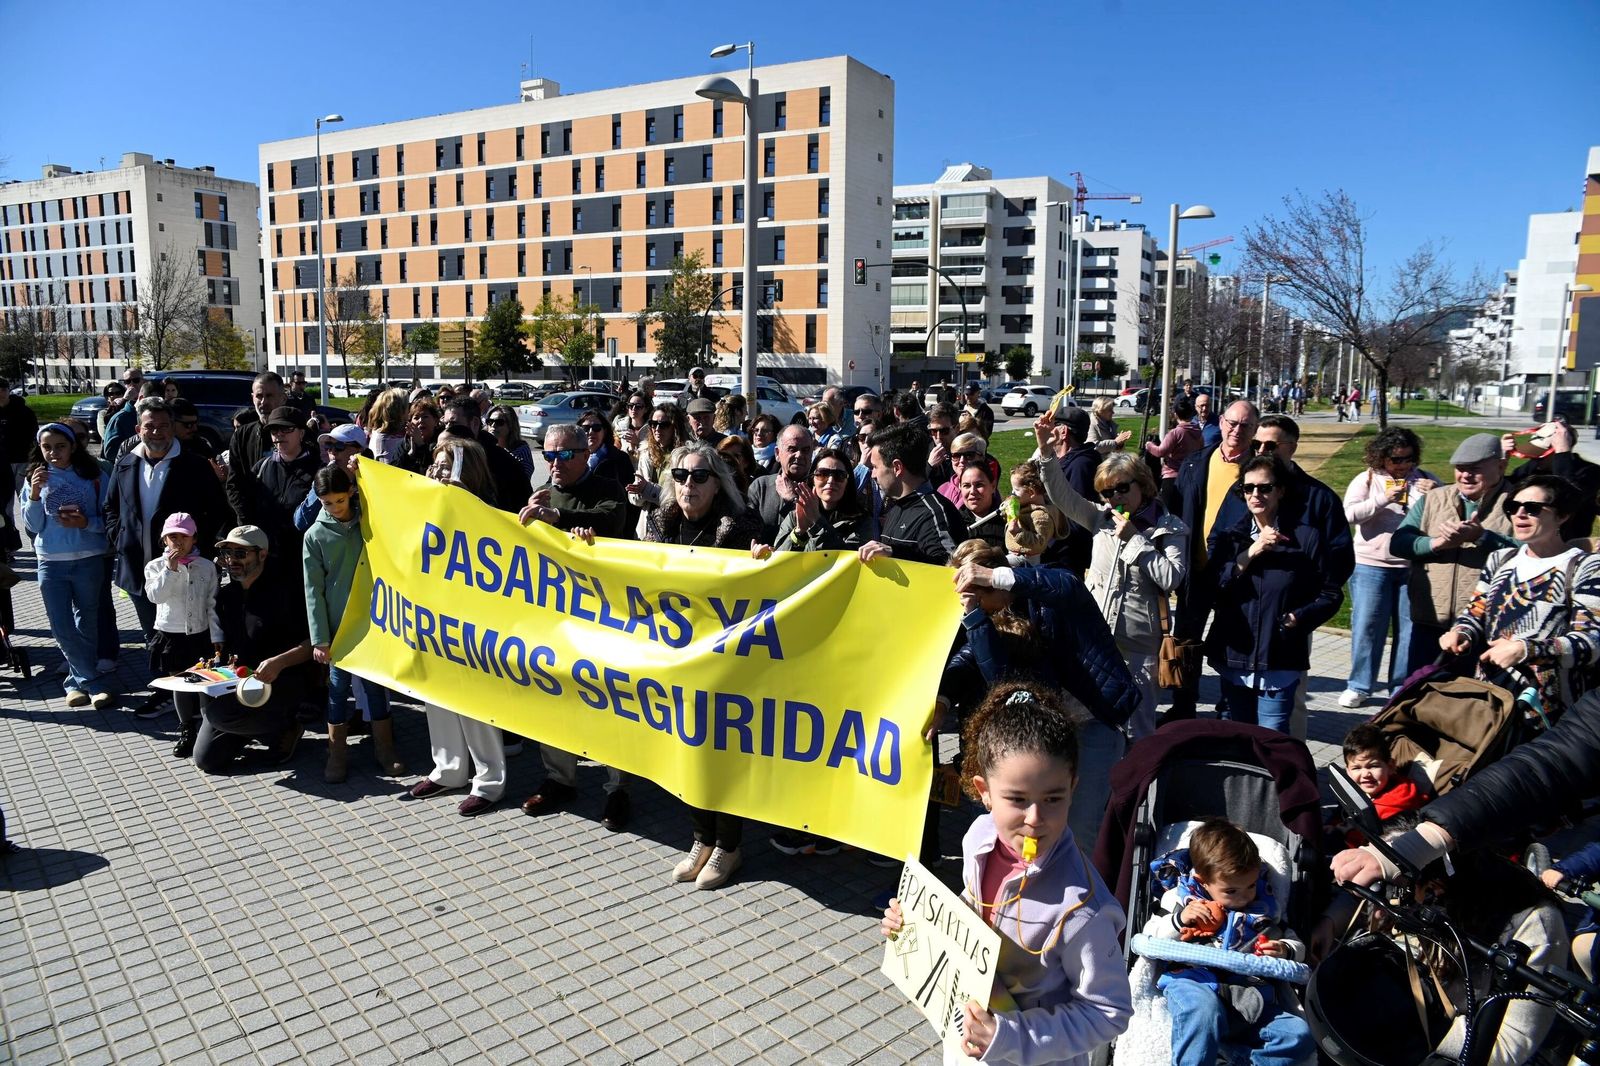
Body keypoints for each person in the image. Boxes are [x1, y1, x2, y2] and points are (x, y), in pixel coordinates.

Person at [880, 683, 1133, 1062]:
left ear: (1073, 788)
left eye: (1053, 798)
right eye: (1017, 799)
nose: (1035, 819)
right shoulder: (978, 837)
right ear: (984, 791)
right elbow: (975, 911)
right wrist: (917, 924)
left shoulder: (1082, 909)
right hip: (968, 1045)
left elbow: (1109, 1011)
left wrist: (1010, 1037)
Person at [950, 541, 1140, 851]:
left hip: (1093, 722)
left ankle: (1083, 883)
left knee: (1080, 829)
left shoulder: (1043, 584)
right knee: (1037, 829)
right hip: (1048, 730)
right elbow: (998, 675)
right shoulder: (991, 617)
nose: (977, 604)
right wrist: (973, 618)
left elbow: (1067, 585)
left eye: (978, 596)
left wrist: (996, 577)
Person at [637, 442, 761, 889]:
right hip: (678, 660)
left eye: (699, 476)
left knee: (721, 755)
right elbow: (637, 574)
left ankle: (728, 845)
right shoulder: (661, 522)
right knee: (688, 749)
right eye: (680, 475)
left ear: (717, 484)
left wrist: (763, 561)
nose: (689, 483)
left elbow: (766, 582)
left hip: (726, 663)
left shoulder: (740, 526)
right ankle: (701, 838)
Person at [1031, 422, 1189, 740]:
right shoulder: (1100, 518)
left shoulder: (1169, 527)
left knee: (1137, 731)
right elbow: (1062, 496)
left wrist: (1135, 540)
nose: (1114, 497)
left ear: (1143, 484)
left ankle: (1137, 775)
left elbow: (1171, 578)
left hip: (1139, 647)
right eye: (1106, 492)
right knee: (1081, 719)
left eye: (1121, 489)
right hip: (1095, 640)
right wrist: (1046, 451)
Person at [517, 424, 633, 829]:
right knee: (553, 696)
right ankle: (559, 778)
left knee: (608, 702)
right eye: (549, 455)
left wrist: (561, 519)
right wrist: (528, 519)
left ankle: (617, 787)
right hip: (556, 618)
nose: (555, 463)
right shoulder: (542, 493)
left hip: (603, 617)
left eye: (564, 455)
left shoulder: (606, 488)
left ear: (586, 454)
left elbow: (611, 519)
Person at [399, 438, 507, 814]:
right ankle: (448, 769)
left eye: (446, 466)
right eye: (435, 465)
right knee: (437, 693)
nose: (437, 472)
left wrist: (462, 500)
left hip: (473, 617)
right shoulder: (426, 500)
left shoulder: (485, 507)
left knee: (474, 700)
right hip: (433, 612)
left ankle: (489, 781)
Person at [1149, 818, 1314, 1066]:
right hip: (1196, 983)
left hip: (1248, 997)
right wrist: (1180, 920)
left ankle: (1236, 1059)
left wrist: (1284, 949)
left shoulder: (1263, 909)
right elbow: (1152, 938)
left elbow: (1296, 945)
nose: (1244, 897)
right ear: (1203, 882)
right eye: (1231, 891)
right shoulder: (1181, 901)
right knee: (1204, 1013)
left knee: (1299, 1035)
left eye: (1251, 886)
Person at [1202, 454, 1344, 731]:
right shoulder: (1231, 537)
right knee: (1237, 736)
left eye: (1265, 487)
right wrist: (1250, 553)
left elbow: (1330, 593)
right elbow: (1213, 587)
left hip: (1280, 656)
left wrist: (1298, 618)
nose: (1256, 494)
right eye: (1248, 488)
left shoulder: (1307, 537)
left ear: (1281, 491)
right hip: (1235, 656)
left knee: (1272, 737)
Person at [1439, 474, 1600, 714]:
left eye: (1533, 508)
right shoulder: (1500, 559)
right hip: (1491, 699)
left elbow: (1591, 643)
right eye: (1513, 507)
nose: (1520, 514)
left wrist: (1525, 650)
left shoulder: (1586, 567)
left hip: (1550, 708)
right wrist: (1461, 632)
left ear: (1562, 515)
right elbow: (1475, 612)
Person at [304, 465, 403, 783]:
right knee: (337, 690)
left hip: (373, 621)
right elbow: (313, 590)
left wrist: (364, 472)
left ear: (351, 493)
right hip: (338, 628)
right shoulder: (314, 535)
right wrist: (320, 638)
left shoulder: (368, 521)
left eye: (340, 500)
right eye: (327, 503)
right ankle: (337, 754)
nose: (335, 508)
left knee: (375, 688)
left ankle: (385, 749)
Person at [105, 398, 229, 649]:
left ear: (173, 428)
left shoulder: (194, 465)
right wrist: (119, 537)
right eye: (149, 426)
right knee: (153, 637)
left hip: (186, 569)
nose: (156, 432)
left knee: (185, 639)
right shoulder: (125, 464)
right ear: (138, 430)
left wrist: (197, 547)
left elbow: (217, 511)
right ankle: (157, 674)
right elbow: (110, 507)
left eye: (163, 426)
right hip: (138, 568)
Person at [1390, 433, 1516, 677]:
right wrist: (1438, 543)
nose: (1465, 475)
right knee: (1421, 690)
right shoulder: (1434, 498)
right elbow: (1399, 543)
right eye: (1460, 468)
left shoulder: (1518, 503)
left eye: (1475, 469)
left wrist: (1482, 538)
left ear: (1501, 466)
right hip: (1430, 622)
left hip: (1486, 627)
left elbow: (1532, 551)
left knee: (1474, 696)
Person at [193, 525, 314, 773]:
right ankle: (252, 730)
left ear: (262, 554)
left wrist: (279, 662)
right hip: (239, 683)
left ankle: (286, 727)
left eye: (240, 554)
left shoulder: (286, 591)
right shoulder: (226, 596)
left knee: (218, 716)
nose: (232, 560)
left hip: (280, 681)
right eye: (227, 553)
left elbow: (314, 642)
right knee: (207, 760)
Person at [1167, 400, 1261, 720]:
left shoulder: (1260, 471)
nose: (1237, 430)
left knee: (1231, 646)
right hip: (1195, 571)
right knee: (1185, 642)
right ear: (1221, 423)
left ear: (1255, 429)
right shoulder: (1196, 462)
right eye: (1232, 423)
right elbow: (1177, 511)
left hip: (1237, 575)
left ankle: (1228, 711)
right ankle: (1183, 708)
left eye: (1245, 425)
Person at [1340, 428, 1436, 708]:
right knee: (1367, 627)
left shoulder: (1425, 479)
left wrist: (1436, 493)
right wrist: (1384, 499)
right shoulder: (1367, 479)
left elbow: (1446, 511)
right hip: (1371, 565)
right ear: (1382, 457)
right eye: (1396, 459)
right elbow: (1348, 515)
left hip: (1413, 566)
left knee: (1408, 631)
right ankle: (1359, 685)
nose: (1403, 465)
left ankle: (1399, 689)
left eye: (1408, 459)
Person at [22, 423, 113, 708]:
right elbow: (32, 526)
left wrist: (85, 523)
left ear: (73, 446)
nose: (53, 453)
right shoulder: (35, 477)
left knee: (87, 621)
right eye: (47, 447)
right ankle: (92, 682)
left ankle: (75, 684)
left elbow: (110, 518)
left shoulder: (94, 475)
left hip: (89, 558)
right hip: (50, 560)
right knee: (61, 625)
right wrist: (34, 494)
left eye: (60, 446)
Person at [142, 513, 222, 750]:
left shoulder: (207, 567)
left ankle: (209, 727)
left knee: (204, 683)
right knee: (180, 683)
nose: (179, 542)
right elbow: (155, 596)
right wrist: (170, 569)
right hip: (171, 635)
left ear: (194, 538)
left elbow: (212, 604)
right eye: (173, 537)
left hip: (200, 634)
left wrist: (217, 636)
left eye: (184, 537)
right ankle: (186, 728)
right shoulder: (155, 566)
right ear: (164, 540)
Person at [859, 421, 965, 567]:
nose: (873, 475)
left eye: (875, 467)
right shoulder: (897, 507)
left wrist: (895, 553)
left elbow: (950, 566)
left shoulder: (934, 513)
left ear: (897, 467)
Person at [756, 447, 873, 555]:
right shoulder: (795, 516)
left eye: (839, 475)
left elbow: (846, 559)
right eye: (822, 474)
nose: (830, 481)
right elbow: (780, 559)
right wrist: (799, 532)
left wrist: (817, 522)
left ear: (847, 482)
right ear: (813, 480)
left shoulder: (861, 521)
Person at [1502, 418, 1600, 541]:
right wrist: (1500, 461)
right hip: (1528, 539)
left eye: (1541, 455)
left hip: (1567, 543)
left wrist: (1562, 453)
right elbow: (1503, 488)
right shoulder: (1534, 467)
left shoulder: (1590, 471)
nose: (1534, 459)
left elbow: (1568, 496)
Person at [1335, 724, 1427, 847]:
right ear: (1348, 771)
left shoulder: (1397, 803)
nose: (1365, 774)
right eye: (1356, 768)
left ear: (1391, 766)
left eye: (1373, 766)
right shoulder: (1354, 790)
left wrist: (1346, 833)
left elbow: (1372, 840)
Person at [440, 398, 528, 512]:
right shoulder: (442, 455)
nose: (447, 430)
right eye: (445, 424)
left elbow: (510, 510)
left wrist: (470, 497)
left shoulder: (503, 464)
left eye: (453, 423)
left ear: (475, 423)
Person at [224, 371, 289, 525]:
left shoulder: (298, 434)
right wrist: (247, 520)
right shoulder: (242, 436)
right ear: (252, 397)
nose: (263, 402)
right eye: (259, 396)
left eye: (270, 396)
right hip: (251, 524)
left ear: (283, 398)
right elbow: (234, 484)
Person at [746, 424, 815, 544]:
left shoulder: (818, 488)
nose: (799, 455)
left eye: (805, 450)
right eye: (792, 449)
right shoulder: (761, 487)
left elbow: (818, 531)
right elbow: (748, 531)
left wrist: (793, 500)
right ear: (777, 453)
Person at [627, 402, 689, 511]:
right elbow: (635, 501)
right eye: (653, 424)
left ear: (675, 427)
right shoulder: (646, 452)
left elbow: (681, 497)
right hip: (647, 518)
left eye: (664, 425)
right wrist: (636, 491)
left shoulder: (685, 456)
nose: (657, 428)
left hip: (673, 518)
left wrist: (648, 489)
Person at [1146, 396, 1204, 507]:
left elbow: (1160, 452)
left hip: (1172, 477)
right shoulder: (1198, 432)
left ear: (1176, 415)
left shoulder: (1176, 433)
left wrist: (1149, 445)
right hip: (1191, 476)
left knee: (1168, 511)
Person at [952, 455, 1005, 550]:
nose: (972, 491)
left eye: (979, 485)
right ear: (960, 487)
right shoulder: (952, 522)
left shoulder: (1008, 521)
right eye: (966, 486)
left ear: (993, 486)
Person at [935, 431, 990, 508]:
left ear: (982, 458)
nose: (962, 460)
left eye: (969, 455)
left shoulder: (986, 490)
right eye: (956, 456)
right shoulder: (943, 489)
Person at [395, 398, 442, 474]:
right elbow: (396, 471)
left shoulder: (442, 443)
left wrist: (421, 446)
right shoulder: (404, 444)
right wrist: (410, 454)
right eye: (416, 418)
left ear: (436, 421)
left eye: (425, 416)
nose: (420, 420)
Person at [365, 387, 412, 464]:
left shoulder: (398, 433)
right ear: (398, 410)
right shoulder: (384, 441)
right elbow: (390, 468)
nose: (411, 409)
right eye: (409, 405)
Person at [611, 392, 652, 456]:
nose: (633, 409)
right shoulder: (620, 425)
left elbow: (654, 453)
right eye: (630, 405)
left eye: (638, 406)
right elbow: (615, 450)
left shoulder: (652, 428)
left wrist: (638, 442)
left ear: (646, 409)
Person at [748, 413, 781, 477]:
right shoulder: (745, 454)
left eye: (765, 431)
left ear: (775, 434)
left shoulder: (779, 459)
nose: (759, 434)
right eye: (756, 430)